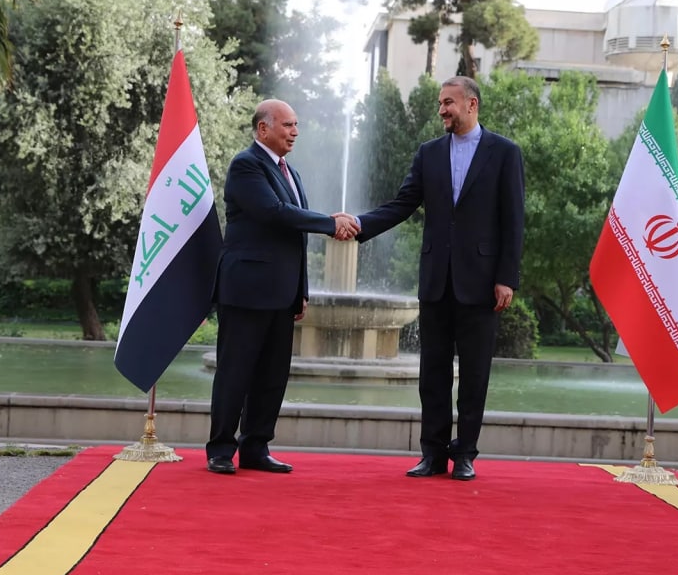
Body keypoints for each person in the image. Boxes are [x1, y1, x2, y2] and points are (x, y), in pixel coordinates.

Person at [349, 76, 524, 481]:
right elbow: (403, 204)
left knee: (475, 375)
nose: (442, 109)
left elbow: (513, 220)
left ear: (472, 104)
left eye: (448, 102)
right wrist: (359, 224)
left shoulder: (505, 153)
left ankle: (465, 455)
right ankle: (432, 454)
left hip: (482, 283)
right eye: (440, 103)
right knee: (433, 374)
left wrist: (506, 278)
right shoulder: (428, 153)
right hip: (436, 281)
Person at [206, 99, 359, 475]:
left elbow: (295, 239)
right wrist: (330, 223)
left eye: (296, 125)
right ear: (263, 129)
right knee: (235, 371)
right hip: (246, 290)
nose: (295, 132)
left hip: (281, 292)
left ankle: (256, 447)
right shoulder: (245, 165)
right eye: (288, 125)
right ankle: (221, 450)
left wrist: (301, 289)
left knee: (272, 375)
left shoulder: (292, 173)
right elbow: (273, 213)